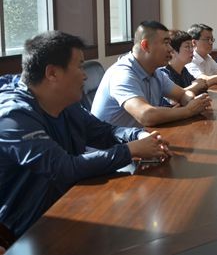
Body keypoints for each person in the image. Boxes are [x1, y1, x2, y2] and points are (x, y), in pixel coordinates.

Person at [0, 31, 171, 248]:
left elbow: (103, 132)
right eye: (80, 66)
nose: (85, 76)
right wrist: (130, 150)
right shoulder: (13, 116)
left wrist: (139, 135)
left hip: (73, 204)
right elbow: (63, 168)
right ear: (52, 73)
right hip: (29, 232)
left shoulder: (66, 102)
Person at [91, 21, 212, 127]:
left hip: (140, 138)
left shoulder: (155, 72)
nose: (170, 49)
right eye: (165, 43)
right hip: (113, 145)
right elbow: (146, 115)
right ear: (146, 46)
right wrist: (188, 111)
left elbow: (183, 93)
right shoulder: (122, 74)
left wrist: (191, 101)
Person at [159, 30, 208, 94]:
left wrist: (200, 86)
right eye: (187, 47)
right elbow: (171, 97)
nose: (192, 50)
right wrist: (195, 87)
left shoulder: (184, 71)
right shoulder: (164, 73)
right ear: (172, 51)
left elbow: (200, 87)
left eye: (192, 46)